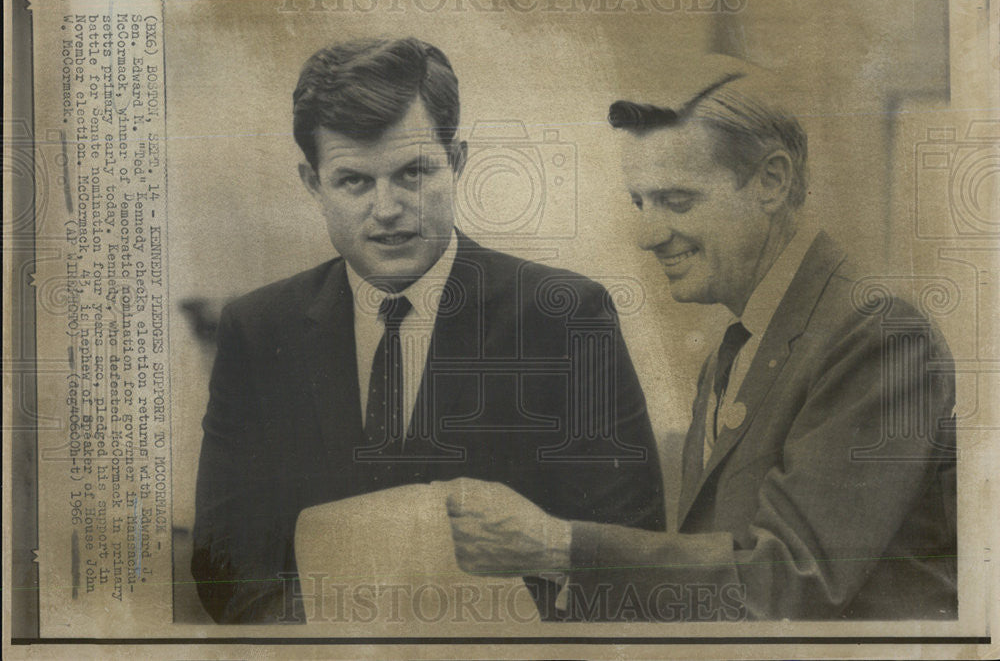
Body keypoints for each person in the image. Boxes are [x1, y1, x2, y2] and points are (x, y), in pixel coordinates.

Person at [445, 56, 957, 620]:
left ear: (772, 181)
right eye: (639, 202)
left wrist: (563, 548)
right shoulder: (734, 350)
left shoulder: (880, 336)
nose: (647, 234)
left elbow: (784, 585)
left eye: (677, 201)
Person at [191, 37, 665, 623]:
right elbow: (226, 570)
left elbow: (629, 556)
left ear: (457, 162)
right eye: (354, 182)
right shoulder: (258, 331)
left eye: (413, 172)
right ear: (313, 185)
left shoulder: (565, 316)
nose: (387, 208)